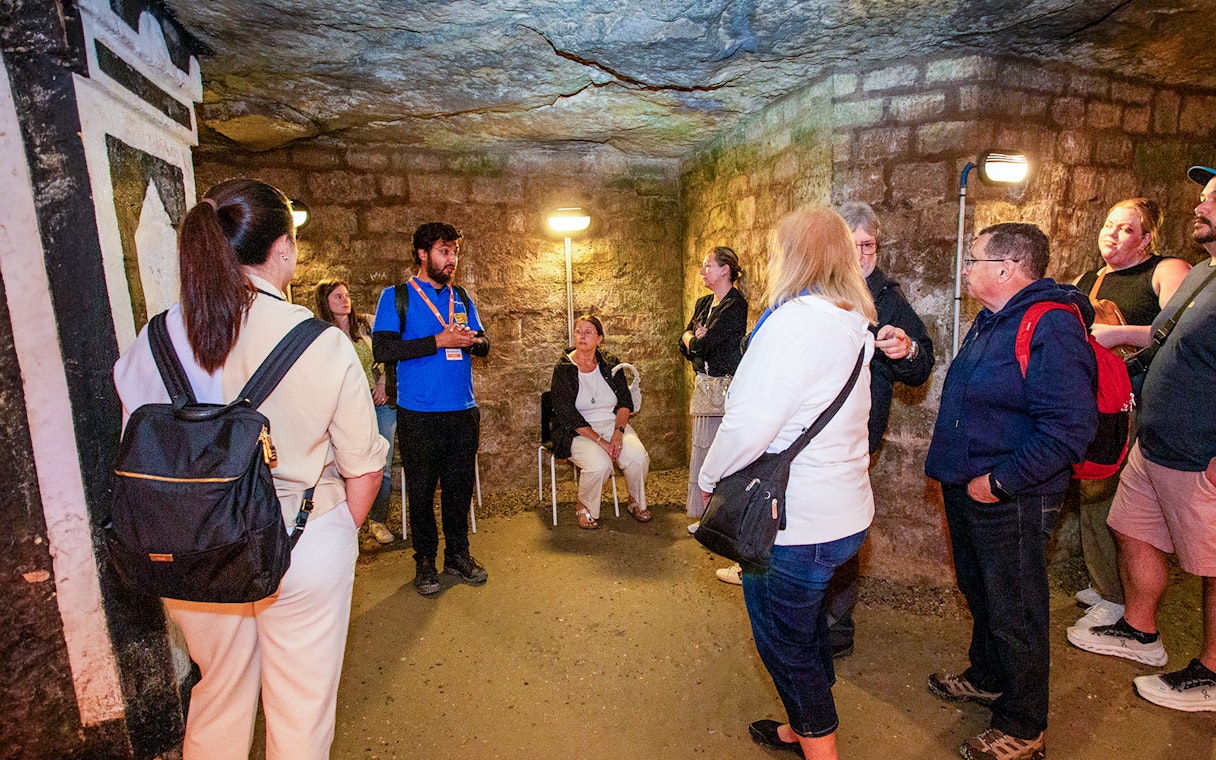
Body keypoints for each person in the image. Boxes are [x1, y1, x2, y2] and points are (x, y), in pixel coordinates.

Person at [113, 179, 387, 760]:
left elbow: (138, 451)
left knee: (217, 695)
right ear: (283, 247)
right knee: (301, 714)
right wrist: (336, 532)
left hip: (192, 547)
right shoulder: (322, 345)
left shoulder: (154, 340)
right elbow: (363, 469)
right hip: (298, 540)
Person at [698, 206, 875, 760]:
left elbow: (749, 425)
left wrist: (709, 480)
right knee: (809, 627)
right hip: (845, 513)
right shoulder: (851, 321)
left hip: (794, 521)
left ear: (793, 257)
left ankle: (818, 745)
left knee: (785, 642)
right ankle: (803, 729)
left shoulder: (794, 323)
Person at [925, 223, 1097, 760]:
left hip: (1013, 495)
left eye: (972, 260)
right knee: (983, 593)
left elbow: (1069, 428)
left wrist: (999, 482)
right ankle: (989, 676)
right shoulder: (993, 320)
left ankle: (1024, 727)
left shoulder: (1051, 326)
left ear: (1007, 269)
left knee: (1016, 608)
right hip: (971, 487)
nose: (965, 269)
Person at [1066, 166, 1216, 712]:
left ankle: (1212, 672)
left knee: (1214, 562)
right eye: (1203, 197)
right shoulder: (1205, 273)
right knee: (1128, 527)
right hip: (1156, 437)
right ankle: (1139, 630)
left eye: (1212, 199)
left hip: (1199, 447)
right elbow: (1161, 341)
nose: (1199, 207)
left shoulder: (1176, 269)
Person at [1066, 199, 1190, 632]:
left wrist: (1119, 333)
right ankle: (1106, 585)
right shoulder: (1091, 277)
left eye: (1126, 229)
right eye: (1108, 225)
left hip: (1133, 401)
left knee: (1116, 500)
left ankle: (1119, 599)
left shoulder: (1165, 269)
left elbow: (1180, 328)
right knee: (1092, 489)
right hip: (1094, 398)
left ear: (1147, 238)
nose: (1112, 234)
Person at [372, 222, 490, 596]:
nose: (451, 258)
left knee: (459, 488)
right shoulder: (397, 297)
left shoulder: (462, 298)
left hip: (462, 410)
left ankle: (458, 554)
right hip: (418, 413)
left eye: (454, 251)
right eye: (444, 251)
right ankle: (425, 560)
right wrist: (438, 340)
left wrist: (474, 342)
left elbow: (485, 343)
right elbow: (384, 349)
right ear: (423, 254)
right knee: (421, 491)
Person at [316, 278, 398, 545]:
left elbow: (387, 355)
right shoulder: (321, 334)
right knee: (346, 466)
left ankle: (377, 520)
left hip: (379, 403)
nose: (345, 300)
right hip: (346, 410)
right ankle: (349, 523)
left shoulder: (367, 325)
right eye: (338, 296)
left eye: (347, 295)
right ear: (325, 303)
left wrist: (385, 383)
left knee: (381, 462)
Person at [550, 315, 651, 529]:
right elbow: (567, 414)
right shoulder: (563, 370)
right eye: (578, 331)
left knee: (637, 457)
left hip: (612, 424)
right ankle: (584, 506)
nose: (582, 335)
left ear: (600, 339)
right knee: (599, 464)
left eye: (589, 331)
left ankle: (635, 501)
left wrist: (618, 433)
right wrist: (601, 442)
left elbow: (625, 402)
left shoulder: (611, 364)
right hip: (577, 431)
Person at [679, 246, 748, 532]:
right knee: (704, 450)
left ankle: (721, 519)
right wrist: (693, 340)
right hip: (704, 387)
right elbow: (684, 347)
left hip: (724, 388)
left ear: (725, 270)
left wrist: (693, 340)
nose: (702, 271)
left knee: (722, 453)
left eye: (707, 265)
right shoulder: (703, 303)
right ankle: (707, 516)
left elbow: (703, 345)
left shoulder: (735, 305)